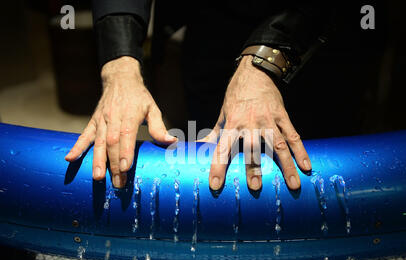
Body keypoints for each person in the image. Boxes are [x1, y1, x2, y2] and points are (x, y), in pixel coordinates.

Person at [65, 1, 339, 191]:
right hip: (210, 25)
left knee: (304, 167)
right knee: (210, 159)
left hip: (311, 36)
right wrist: (120, 63)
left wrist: (264, 62)